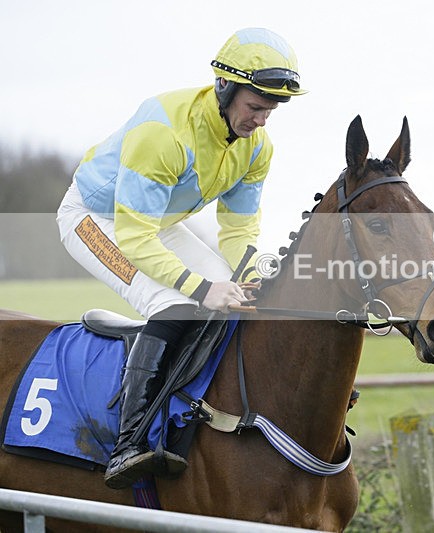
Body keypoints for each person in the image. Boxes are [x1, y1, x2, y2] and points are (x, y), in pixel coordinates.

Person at [56, 27, 307, 489]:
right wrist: (203, 288)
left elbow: (238, 229)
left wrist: (252, 275)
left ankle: (189, 407)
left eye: (270, 111)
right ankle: (127, 444)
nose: (261, 121)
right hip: (97, 217)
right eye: (255, 108)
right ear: (225, 88)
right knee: (174, 303)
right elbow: (134, 236)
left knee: (231, 300)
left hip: (161, 223)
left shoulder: (257, 147)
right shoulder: (163, 132)